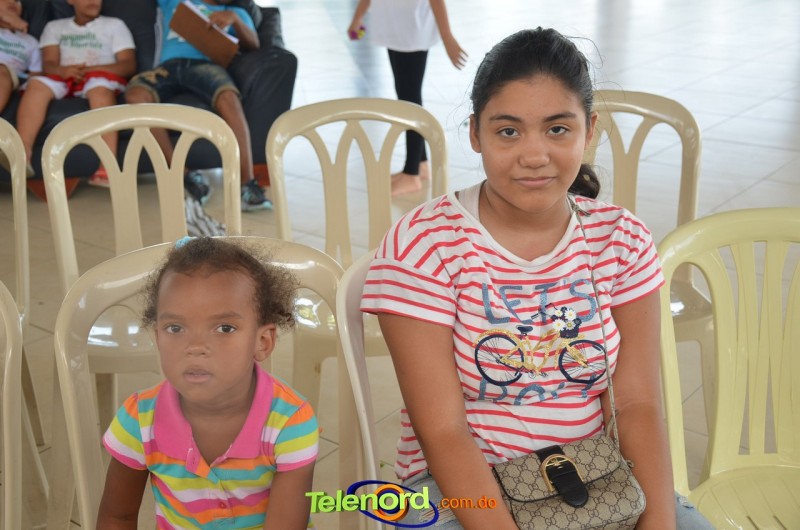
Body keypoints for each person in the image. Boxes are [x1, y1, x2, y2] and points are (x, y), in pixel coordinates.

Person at [361, 28, 714, 529]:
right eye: (508, 131)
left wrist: (656, 523)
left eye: (557, 129)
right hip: (459, 489)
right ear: (475, 133)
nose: (534, 155)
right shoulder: (423, 246)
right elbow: (443, 431)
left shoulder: (621, 239)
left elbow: (635, 404)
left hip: (594, 475)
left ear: (589, 130)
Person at [99, 236, 319, 529]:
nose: (196, 346)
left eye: (224, 328)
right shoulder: (138, 421)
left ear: (262, 341)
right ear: (158, 337)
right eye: (175, 328)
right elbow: (118, 516)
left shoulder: (289, 423)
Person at [125, 0, 272, 211]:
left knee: (228, 96)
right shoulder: (173, 2)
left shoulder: (235, 12)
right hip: (168, 67)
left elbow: (254, 44)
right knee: (136, 95)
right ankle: (183, 175)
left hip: (205, 67)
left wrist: (235, 20)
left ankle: (248, 185)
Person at [347, 0, 467, 196]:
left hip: (411, 28)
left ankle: (411, 174)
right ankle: (420, 163)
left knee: (410, 101)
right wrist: (358, 16)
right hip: (393, 26)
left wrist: (447, 37)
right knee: (405, 96)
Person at [15, 0, 135, 186]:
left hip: (100, 76)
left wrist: (92, 70)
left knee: (100, 90)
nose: (94, 1)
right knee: (37, 85)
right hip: (64, 76)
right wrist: (63, 71)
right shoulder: (55, 27)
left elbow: (128, 64)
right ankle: (22, 155)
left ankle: (108, 164)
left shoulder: (114, 25)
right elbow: (49, 64)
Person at [0, 0, 41, 114]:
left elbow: (36, 74)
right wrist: (4, 16)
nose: (13, 2)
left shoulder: (31, 41)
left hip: (7, 75)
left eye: (17, 1)